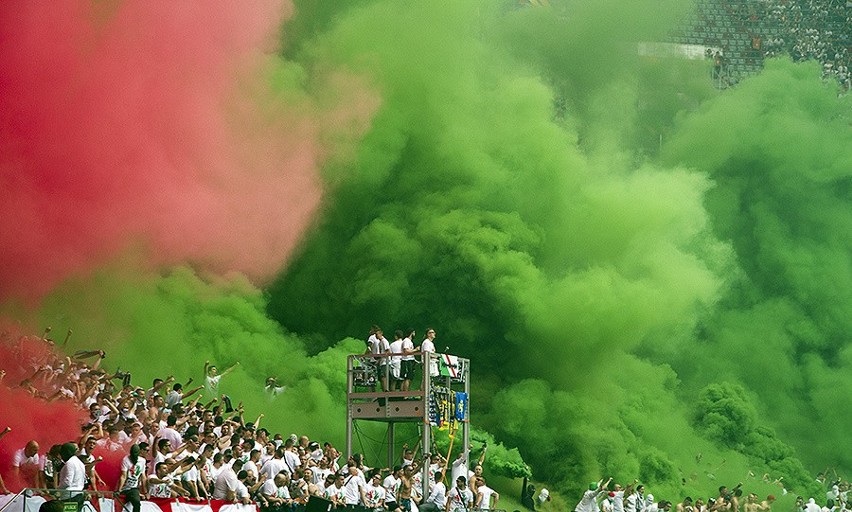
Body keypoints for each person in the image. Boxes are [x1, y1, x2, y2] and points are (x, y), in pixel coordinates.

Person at [117, 445, 147, 512]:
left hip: (133, 488)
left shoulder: (142, 461)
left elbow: (143, 477)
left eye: (136, 453)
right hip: (125, 487)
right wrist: (119, 489)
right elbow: (123, 476)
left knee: (136, 502)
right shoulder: (125, 459)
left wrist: (145, 491)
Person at [58, 443, 86, 510]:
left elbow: (67, 482)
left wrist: (57, 489)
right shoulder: (80, 463)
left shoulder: (70, 463)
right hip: (79, 494)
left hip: (69, 497)